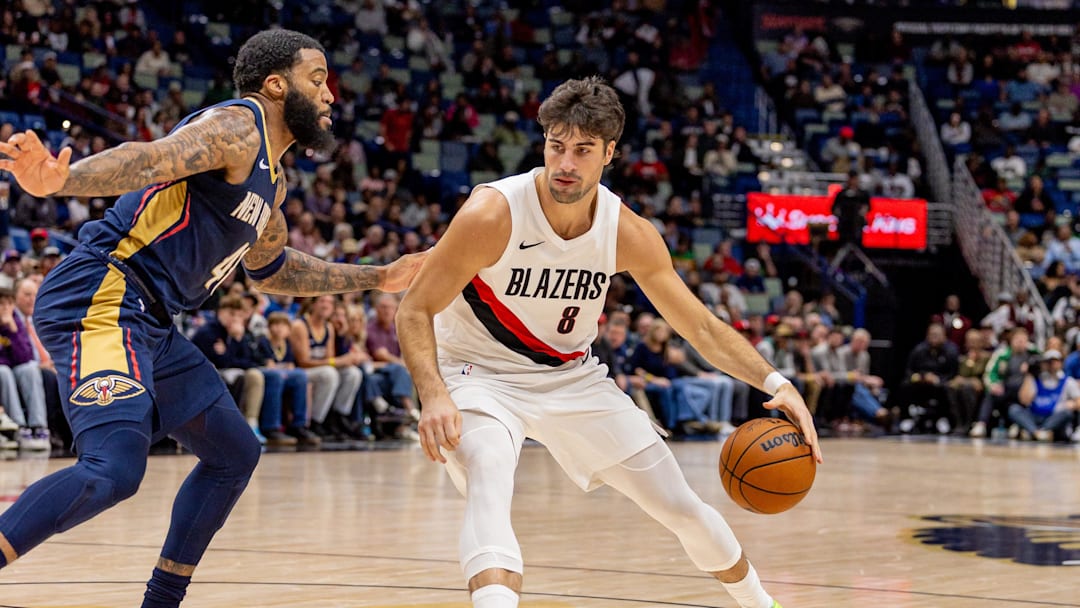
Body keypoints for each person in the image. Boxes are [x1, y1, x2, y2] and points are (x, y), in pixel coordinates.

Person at [0, 29, 424, 608]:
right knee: (112, 469)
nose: (330, 95)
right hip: (104, 291)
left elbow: (271, 270)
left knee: (234, 453)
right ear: (276, 85)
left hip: (151, 320)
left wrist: (379, 276)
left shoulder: (272, 182)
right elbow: (151, 158)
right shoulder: (238, 127)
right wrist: (63, 181)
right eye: (318, 79)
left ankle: (162, 602)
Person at [396, 77, 819, 608]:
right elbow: (414, 308)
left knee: (680, 506)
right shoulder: (493, 213)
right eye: (556, 146)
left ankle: (761, 603)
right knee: (489, 472)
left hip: (572, 377)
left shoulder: (627, 232)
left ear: (609, 153)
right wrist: (433, 393)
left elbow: (701, 327)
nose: (565, 163)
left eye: (583, 150)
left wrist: (778, 383)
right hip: (478, 374)